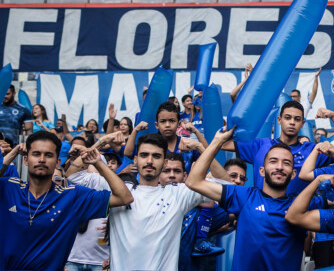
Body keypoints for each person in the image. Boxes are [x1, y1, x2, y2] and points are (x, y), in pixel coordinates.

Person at [186, 126, 334, 271]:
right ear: (261, 170)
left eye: (287, 163)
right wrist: (216, 142)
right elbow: (194, 181)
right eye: (273, 161)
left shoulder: (302, 203)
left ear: (293, 174)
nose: (280, 167)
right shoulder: (243, 196)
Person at [68, 133, 214, 271]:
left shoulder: (178, 194)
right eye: (144, 155)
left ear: (164, 163)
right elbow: (72, 176)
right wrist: (102, 141)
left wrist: (202, 148)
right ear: (136, 160)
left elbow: (225, 184)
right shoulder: (119, 189)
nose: (149, 161)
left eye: (156, 156)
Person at [0, 131, 132, 270]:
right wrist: (10, 156)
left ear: (58, 162)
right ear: (26, 160)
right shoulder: (9, 188)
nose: (42, 159)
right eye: (36, 154)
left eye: (49, 155)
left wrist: (97, 161)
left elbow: (124, 197)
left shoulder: (72, 197)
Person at [221, 101, 334, 195]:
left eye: (297, 119)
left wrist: (333, 117)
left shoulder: (312, 150)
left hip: (297, 216)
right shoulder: (261, 145)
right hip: (263, 212)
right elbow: (223, 144)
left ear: (302, 123)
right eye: (288, 118)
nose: (292, 122)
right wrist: (231, 128)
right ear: (279, 120)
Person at [124, 101, 207, 173]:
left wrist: (196, 131)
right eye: (163, 121)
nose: (167, 125)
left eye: (172, 121)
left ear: (178, 124)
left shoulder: (187, 144)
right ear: (157, 125)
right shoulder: (151, 144)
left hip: (183, 190)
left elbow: (209, 155)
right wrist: (135, 131)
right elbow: (128, 153)